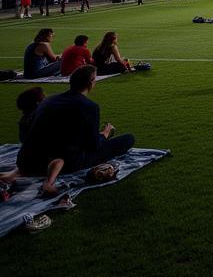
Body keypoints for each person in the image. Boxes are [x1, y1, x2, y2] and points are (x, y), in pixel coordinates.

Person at [16, 66, 135, 194]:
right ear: (91, 83)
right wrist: (104, 135)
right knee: (128, 139)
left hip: (27, 161)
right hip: (65, 161)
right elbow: (92, 145)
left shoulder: (49, 100)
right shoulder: (89, 107)